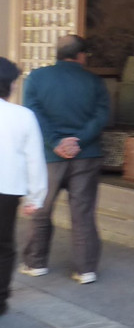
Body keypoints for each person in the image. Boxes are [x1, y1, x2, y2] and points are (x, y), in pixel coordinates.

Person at [20, 35, 111, 285]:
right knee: (82, 213)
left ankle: (35, 263)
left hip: (48, 157)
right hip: (87, 155)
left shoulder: (36, 78)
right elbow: (102, 115)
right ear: (82, 56)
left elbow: (33, 112)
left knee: (41, 209)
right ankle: (85, 270)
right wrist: (78, 140)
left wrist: (55, 142)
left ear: (57, 53)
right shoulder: (94, 81)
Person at [0, 59, 47, 316]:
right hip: (7, 189)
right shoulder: (23, 116)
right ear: (13, 85)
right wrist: (35, 197)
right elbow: (34, 159)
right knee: (3, 245)